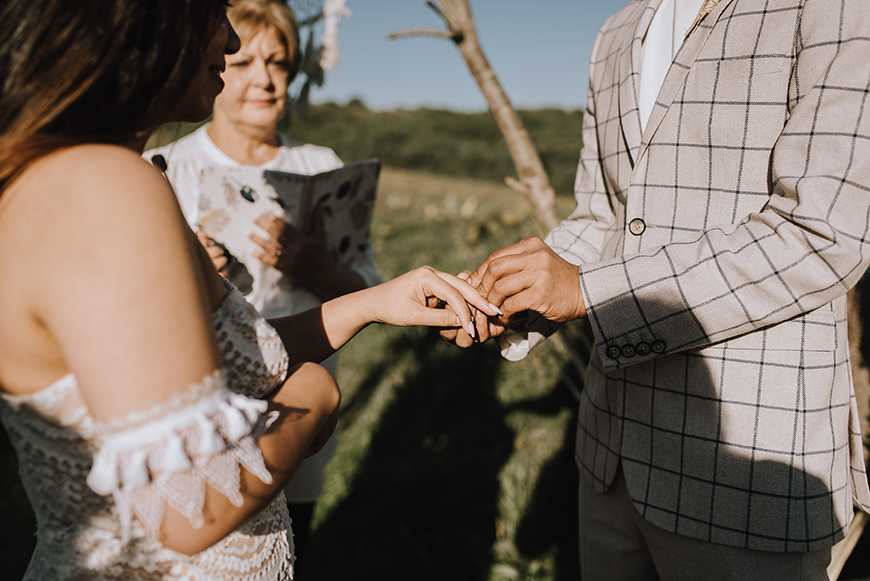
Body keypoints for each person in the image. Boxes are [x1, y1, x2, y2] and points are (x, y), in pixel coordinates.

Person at [0, 0, 496, 579]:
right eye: (212, 9)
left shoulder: (65, 175)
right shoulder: (107, 187)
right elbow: (188, 507)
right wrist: (313, 402)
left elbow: (227, 361)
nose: (231, 41)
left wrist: (372, 303)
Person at [445, 0, 870, 579]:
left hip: (748, 477)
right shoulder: (615, 31)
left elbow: (820, 234)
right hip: (608, 456)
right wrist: (510, 295)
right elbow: (604, 217)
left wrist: (587, 290)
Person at [144, 0, 376, 553]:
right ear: (218, 64)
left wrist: (316, 267)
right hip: (204, 405)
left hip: (301, 405)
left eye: (280, 64)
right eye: (245, 63)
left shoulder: (321, 164)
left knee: (293, 539)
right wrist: (197, 271)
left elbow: (365, 295)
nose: (266, 81)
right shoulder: (166, 165)